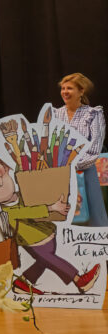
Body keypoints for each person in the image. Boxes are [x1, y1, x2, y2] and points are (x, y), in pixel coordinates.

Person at [0, 129, 100, 294]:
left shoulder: (23, 191)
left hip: (45, 234)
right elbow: (28, 212)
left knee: (43, 261)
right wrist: (51, 208)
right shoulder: (9, 211)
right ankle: (79, 280)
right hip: (33, 240)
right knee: (51, 260)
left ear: (5, 167)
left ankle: (22, 284)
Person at [53, 73, 108, 226]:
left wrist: (73, 166)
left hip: (86, 169)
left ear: (81, 91)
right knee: (62, 217)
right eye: (63, 88)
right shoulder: (55, 114)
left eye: (69, 88)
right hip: (60, 171)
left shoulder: (93, 114)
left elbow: (95, 148)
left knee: (93, 217)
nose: (65, 91)